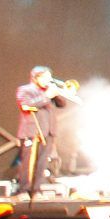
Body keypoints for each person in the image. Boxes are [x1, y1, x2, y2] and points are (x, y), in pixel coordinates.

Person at [13, 65, 73, 196]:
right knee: (28, 163)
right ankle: (24, 190)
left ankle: (36, 190)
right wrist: (46, 96)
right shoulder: (25, 89)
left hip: (49, 131)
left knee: (42, 163)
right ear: (36, 77)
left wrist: (56, 93)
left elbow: (62, 104)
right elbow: (26, 105)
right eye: (46, 77)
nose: (49, 80)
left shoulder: (49, 91)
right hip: (32, 131)